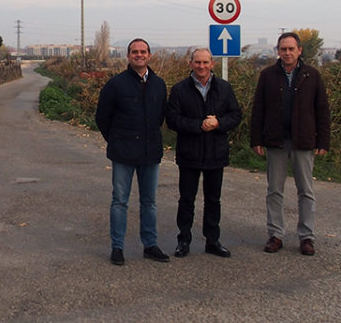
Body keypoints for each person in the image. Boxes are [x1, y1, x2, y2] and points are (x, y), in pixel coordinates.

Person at [251, 32, 331, 256]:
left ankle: (306, 237)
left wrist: (323, 140)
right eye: (283, 49)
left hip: (303, 141)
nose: (287, 53)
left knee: (306, 191)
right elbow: (258, 109)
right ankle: (275, 235)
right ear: (278, 51)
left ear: (299, 50)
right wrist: (256, 139)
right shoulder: (267, 75)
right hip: (276, 141)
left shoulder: (311, 75)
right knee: (274, 191)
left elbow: (322, 110)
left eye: (291, 49)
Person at [95, 38, 168, 266]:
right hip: (123, 152)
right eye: (135, 52)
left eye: (143, 51)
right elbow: (102, 117)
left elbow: (160, 116)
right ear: (128, 56)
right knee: (120, 201)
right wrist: (116, 139)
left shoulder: (159, 84)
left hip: (150, 152)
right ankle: (117, 247)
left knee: (150, 202)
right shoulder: (116, 84)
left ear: (149, 55)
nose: (139, 55)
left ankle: (150, 245)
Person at [166, 47, 242, 259]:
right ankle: (183, 240)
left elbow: (236, 115)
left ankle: (212, 240)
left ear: (212, 64)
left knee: (213, 200)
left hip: (216, 154)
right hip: (189, 154)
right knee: (186, 200)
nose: (201, 66)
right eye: (197, 62)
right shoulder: (180, 89)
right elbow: (172, 120)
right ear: (190, 64)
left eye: (205, 62)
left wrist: (218, 123)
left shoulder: (224, 88)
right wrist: (198, 125)